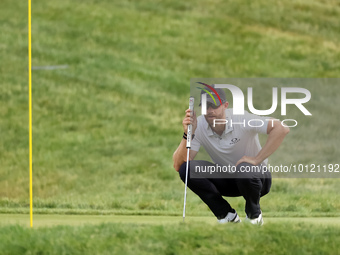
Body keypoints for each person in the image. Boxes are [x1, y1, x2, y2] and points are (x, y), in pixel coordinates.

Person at [173, 86, 290, 225]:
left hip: (257, 180)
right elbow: (179, 165)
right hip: (227, 180)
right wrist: (187, 133)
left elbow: (281, 128)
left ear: (225, 105)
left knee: (245, 169)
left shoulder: (241, 118)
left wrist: (257, 159)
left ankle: (254, 216)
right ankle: (227, 216)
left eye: (214, 106)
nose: (210, 111)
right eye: (206, 106)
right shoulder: (198, 125)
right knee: (187, 169)